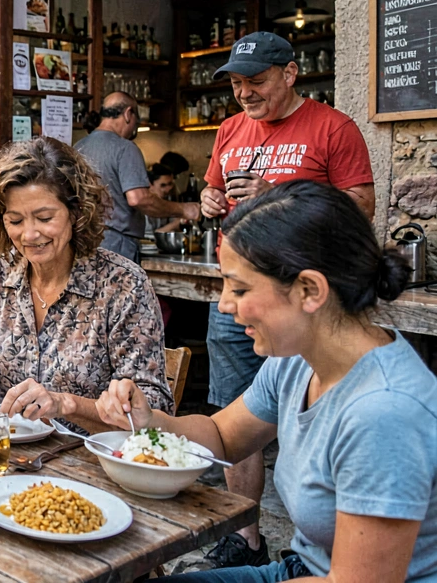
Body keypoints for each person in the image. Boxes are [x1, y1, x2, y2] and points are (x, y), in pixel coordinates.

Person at [99, 181, 435, 583]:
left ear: (309, 290)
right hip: (302, 569)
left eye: (239, 288)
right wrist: (150, 422)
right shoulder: (297, 361)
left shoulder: (385, 412)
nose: (223, 304)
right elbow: (222, 435)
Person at [194, 32, 376, 570]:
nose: (244, 94)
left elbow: (360, 205)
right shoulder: (229, 129)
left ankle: (313, 551)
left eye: (256, 82)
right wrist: (208, 198)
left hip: (302, 300)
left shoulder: (332, 127)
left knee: (312, 414)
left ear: (291, 74)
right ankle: (246, 535)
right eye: (235, 84)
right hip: (239, 288)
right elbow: (214, 189)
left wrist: (278, 191)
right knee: (234, 410)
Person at [0, 138, 172, 431]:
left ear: (76, 211)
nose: (30, 234)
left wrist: (66, 404)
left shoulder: (123, 285)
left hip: (94, 463)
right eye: (15, 221)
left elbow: (154, 407)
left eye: (44, 218)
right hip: (4, 453)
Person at [75, 92, 199, 261]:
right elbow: (139, 199)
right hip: (117, 245)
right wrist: (184, 210)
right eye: (136, 119)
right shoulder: (125, 148)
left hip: (82, 243)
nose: (136, 126)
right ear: (128, 114)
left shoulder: (77, 147)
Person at [146, 163, 183, 235]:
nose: (168, 189)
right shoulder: (143, 207)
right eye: (163, 185)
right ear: (150, 185)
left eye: (170, 184)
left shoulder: (167, 201)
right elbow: (149, 237)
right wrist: (174, 225)